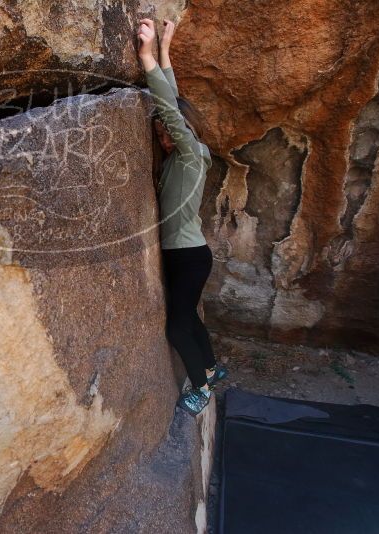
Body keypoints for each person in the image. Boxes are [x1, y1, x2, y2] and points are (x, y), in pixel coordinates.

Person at [136, 18, 227, 416]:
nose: (163, 137)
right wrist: (166, 50)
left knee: (176, 327)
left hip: (188, 257)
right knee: (188, 316)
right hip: (186, 254)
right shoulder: (184, 156)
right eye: (158, 134)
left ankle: (202, 388)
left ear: (184, 130)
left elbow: (171, 110)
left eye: (167, 132)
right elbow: (173, 107)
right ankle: (211, 366)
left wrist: (146, 56)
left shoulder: (190, 153)